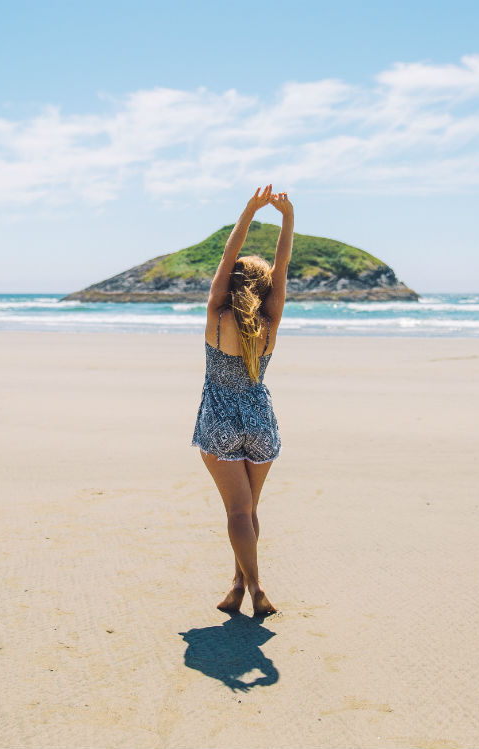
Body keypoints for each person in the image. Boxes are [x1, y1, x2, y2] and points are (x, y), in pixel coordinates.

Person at [191, 184, 293, 617]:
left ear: (232, 282)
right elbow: (283, 266)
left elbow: (224, 260)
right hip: (259, 420)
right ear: (265, 287)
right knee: (249, 511)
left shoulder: (217, 315)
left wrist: (249, 211)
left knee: (237, 511)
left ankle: (255, 588)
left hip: (220, 419)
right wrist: (288, 219)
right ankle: (237, 584)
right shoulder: (270, 321)